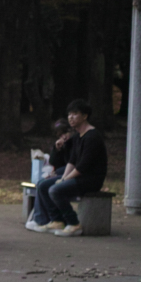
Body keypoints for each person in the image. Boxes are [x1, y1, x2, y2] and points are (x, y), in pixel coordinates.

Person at [27, 99, 106, 237]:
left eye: (75, 114)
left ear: (85, 116)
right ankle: (56, 220)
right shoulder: (77, 137)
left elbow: (82, 166)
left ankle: (73, 224)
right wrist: (63, 178)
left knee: (55, 189)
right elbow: (72, 161)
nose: (70, 117)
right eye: (69, 114)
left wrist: (64, 180)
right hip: (79, 176)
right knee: (43, 185)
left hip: (90, 179)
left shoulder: (93, 137)